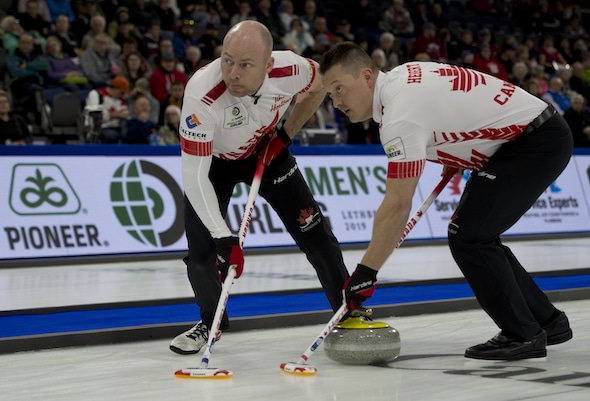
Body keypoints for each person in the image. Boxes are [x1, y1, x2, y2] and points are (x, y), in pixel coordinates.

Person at [319, 41, 573, 361]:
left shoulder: (400, 117)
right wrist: (459, 146)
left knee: (469, 237)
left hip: (532, 143)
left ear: (367, 76)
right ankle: (547, 321)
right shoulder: (402, 76)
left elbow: (397, 204)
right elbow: (457, 100)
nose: (337, 101)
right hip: (529, 136)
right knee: (476, 235)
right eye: (331, 95)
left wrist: (365, 272)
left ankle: (523, 334)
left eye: (340, 88)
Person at [170, 20, 349, 355]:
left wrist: (285, 135)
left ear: (269, 65)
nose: (232, 73)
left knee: (316, 234)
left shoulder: (291, 68)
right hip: (214, 165)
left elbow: (321, 84)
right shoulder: (201, 93)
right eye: (227, 60)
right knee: (203, 253)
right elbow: (194, 174)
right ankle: (212, 322)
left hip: (268, 151)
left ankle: (348, 313)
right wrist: (224, 237)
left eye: (246, 65)